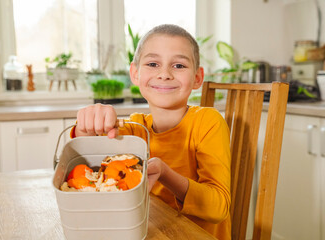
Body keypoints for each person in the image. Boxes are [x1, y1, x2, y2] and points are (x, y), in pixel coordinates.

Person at [72, 24, 231, 240]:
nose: (164, 74)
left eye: (179, 65)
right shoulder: (135, 128)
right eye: (153, 63)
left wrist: (165, 173)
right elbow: (91, 167)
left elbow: (218, 207)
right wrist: (86, 126)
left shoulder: (208, 122)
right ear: (135, 74)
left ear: (197, 78)